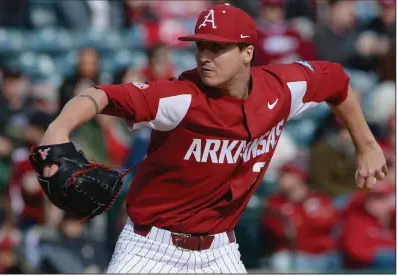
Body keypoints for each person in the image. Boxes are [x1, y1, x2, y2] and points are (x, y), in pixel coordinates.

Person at [36, 3, 387, 274]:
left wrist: (366, 144)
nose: (205, 56)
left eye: (218, 48)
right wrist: (58, 129)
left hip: (221, 250)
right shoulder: (180, 97)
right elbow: (100, 96)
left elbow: (337, 83)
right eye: (201, 46)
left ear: (247, 52)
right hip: (149, 249)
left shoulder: (282, 89)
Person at [261, 162, 339, 273]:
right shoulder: (275, 203)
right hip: (296, 254)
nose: (285, 179)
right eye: (282, 176)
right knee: (281, 260)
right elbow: (283, 232)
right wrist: (311, 221)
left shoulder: (320, 198)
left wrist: (300, 221)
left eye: (288, 175)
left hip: (325, 254)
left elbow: (330, 221)